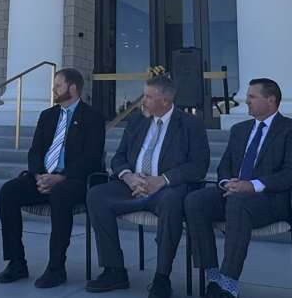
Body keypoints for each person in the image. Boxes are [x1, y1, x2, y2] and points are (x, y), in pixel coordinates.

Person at [86, 74, 210, 298]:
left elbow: (199, 166)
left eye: (148, 96)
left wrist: (162, 180)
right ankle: (114, 270)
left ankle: (162, 277)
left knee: (173, 202)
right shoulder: (137, 121)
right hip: (132, 185)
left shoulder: (190, 124)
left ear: (165, 101)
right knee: (97, 195)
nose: (143, 100)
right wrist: (129, 177)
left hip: (166, 189)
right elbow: (119, 157)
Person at [186, 78, 292, 298]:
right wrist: (227, 183)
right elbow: (224, 166)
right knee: (195, 201)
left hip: (271, 199)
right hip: (234, 194)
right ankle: (213, 276)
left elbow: (291, 174)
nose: (246, 101)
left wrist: (251, 186)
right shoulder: (239, 129)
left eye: (252, 97)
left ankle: (229, 284)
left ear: (270, 100)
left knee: (238, 202)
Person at [0, 68, 106, 288]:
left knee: (60, 194)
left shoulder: (93, 117)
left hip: (75, 181)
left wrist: (61, 177)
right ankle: (16, 262)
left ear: (73, 88)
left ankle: (56, 267)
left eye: (58, 85)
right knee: (8, 192)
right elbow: (35, 151)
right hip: (43, 177)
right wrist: (39, 175)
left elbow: (92, 158)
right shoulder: (48, 115)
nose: (53, 89)